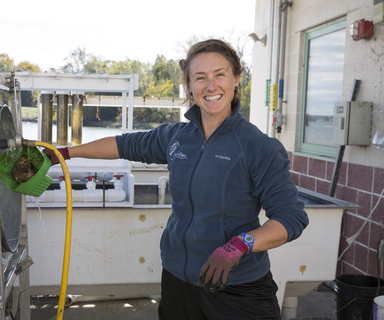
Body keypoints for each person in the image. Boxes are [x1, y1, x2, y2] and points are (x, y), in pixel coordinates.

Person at [45, 39, 309, 319]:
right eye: (200, 78)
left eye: (220, 74)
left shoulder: (259, 147)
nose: (211, 86)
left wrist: (240, 244)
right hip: (178, 281)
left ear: (236, 80)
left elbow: (290, 218)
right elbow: (124, 145)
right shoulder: (177, 137)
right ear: (190, 87)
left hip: (238, 289)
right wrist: (63, 153)